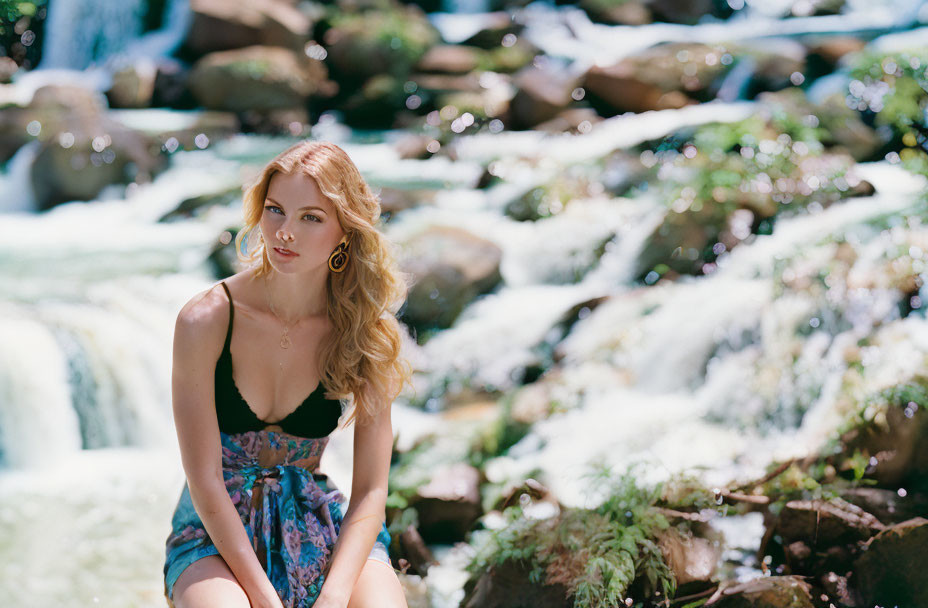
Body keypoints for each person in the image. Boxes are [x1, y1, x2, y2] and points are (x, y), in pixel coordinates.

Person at [162, 140, 413, 608]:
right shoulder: (207, 319)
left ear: (345, 232)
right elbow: (204, 478)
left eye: (310, 217)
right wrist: (263, 597)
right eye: (275, 210)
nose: (285, 233)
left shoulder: (365, 330)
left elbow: (372, 490)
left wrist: (335, 596)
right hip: (216, 529)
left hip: (317, 518)